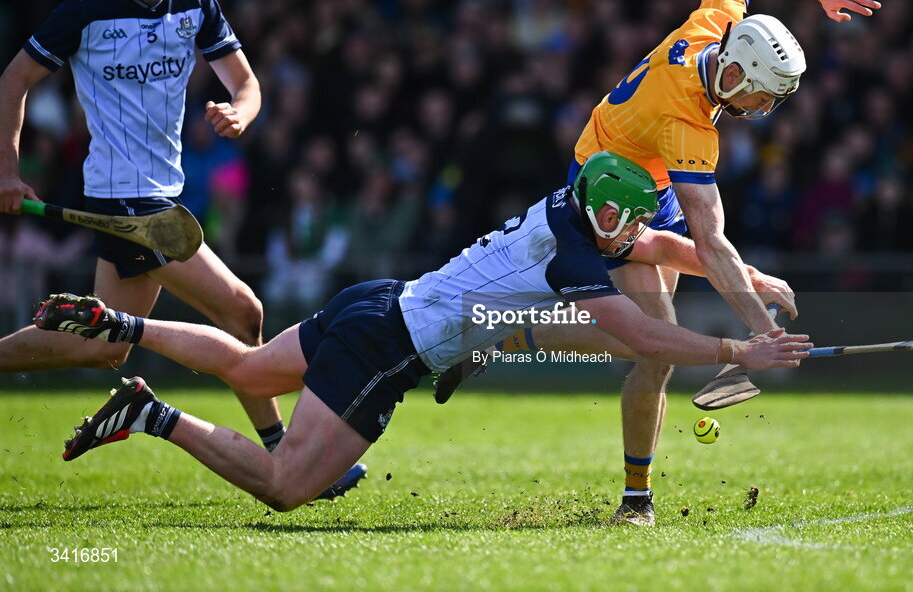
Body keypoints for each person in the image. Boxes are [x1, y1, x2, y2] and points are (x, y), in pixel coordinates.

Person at [33, 152, 811, 512]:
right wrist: (739, 349)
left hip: (373, 301)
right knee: (285, 488)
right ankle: (151, 412)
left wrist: (744, 279)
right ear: (597, 208)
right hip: (386, 345)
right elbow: (638, 333)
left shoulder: (571, 212)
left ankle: (128, 324)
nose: (628, 231)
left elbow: (661, 247)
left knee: (247, 366)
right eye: (621, 217)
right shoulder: (577, 246)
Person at [436, 0, 882, 525]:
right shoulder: (688, 126)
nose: (767, 107)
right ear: (740, 73)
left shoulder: (715, 26)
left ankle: (622, 481)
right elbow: (710, 242)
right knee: (654, 342)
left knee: (651, 348)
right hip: (610, 183)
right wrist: (759, 329)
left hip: (654, 177)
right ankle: (630, 493)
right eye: (766, 94)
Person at [0, 0, 364, 497]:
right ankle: (285, 451)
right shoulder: (85, 13)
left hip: (165, 196)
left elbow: (246, 83)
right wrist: (8, 170)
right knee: (241, 310)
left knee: (105, 349)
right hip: (126, 202)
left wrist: (241, 114)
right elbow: (14, 78)